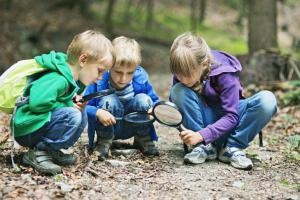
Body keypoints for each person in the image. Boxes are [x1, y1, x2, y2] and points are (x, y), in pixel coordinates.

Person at [169, 32, 277, 170]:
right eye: (178, 74)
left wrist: (202, 135)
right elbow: (179, 110)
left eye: (186, 74)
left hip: (231, 123)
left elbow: (231, 116)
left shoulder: (224, 73)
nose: (182, 79)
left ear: (204, 64)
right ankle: (203, 148)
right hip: (203, 125)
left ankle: (232, 148)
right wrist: (162, 113)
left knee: (267, 100)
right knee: (178, 90)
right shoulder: (183, 72)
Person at [13, 30, 115, 174]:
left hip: (37, 125)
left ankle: (50, 150)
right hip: (28, 128)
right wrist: (68, 104)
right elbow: (37, 104)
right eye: (99, 71)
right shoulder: (58, 78)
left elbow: (59, 101)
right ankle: (37, 153)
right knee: (72, 114)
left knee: (80, 112)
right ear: (83, 60)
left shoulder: (71, 79)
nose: (100, 77)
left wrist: (73, 101)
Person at [85, 36, 160, 160]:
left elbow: (155, 102)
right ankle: (104, 142)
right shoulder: (99, 80)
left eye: (130, 73)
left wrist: (153, 110)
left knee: (143, 99)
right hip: (109, 125)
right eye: (118, 72)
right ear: (109, 66)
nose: (123, 79)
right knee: (109, 100)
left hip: (133, 125)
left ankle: (143, 138)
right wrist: (97, 112)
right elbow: (83, 105)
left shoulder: (141, 78)